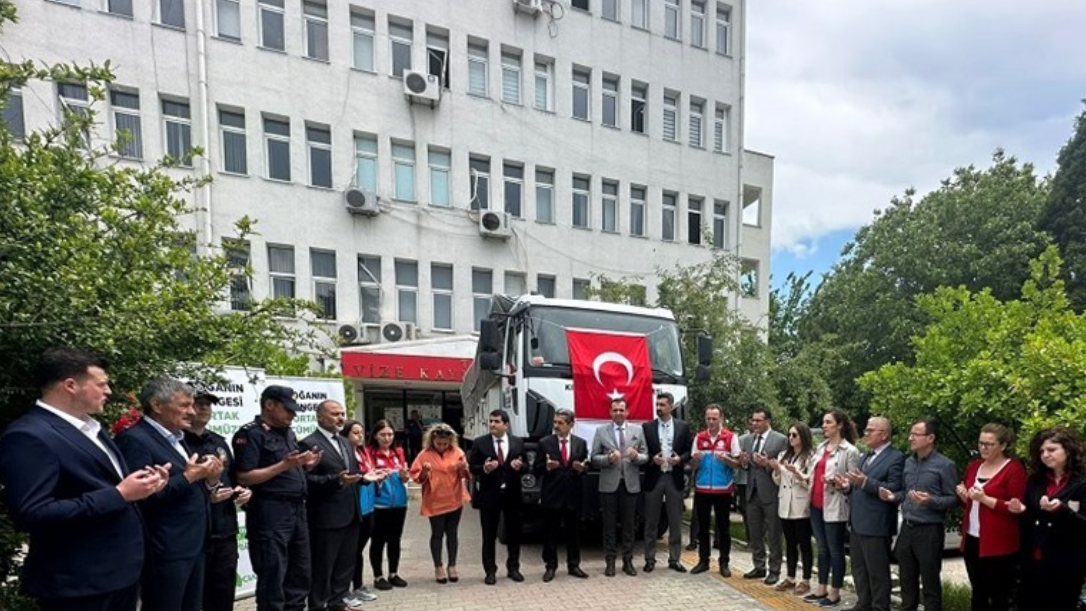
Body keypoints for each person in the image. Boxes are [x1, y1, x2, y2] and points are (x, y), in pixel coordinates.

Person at [0, 347, 168, 611]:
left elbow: (107, 485)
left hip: (120, 574)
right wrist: (120, 494)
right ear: (70, 385)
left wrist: (144, 486)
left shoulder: (92, 428)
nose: (109, 391)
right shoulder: (29, 435)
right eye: (101, 384)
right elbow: (32, 513)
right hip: (78, 583)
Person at [115, 377, 224, 611]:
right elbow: (143, 496)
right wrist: (189, 477)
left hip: (193, 544)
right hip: (166, 548)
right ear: (157, 405)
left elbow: (187, 487)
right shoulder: (134, 440)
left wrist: (210, 480)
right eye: (184, 405)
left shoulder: (177, 439)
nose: (192, 412)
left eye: (192, 405)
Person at [234, 385, 322, 611]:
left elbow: (291, 470)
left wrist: (306, 466)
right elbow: (244, 476)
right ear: (269, 405)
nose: (292, 415)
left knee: (300, 572)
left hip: (297, 511)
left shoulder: (288, 433)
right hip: (270, 513)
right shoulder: (251, 434)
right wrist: (284, 465)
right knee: (273, 575)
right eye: (288, 409)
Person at [184, 385, 252, 611]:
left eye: (208, 404)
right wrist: (207, 495)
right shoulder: (177, 442)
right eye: (198, 402)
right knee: (191, 597)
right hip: (194, 532)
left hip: (224, 529)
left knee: (222, 594)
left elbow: (233, 478)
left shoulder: (219, 442)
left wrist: (243, 492)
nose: (204, 408)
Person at [883, 419, 959, 611]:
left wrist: (930, 501)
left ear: (930, 438)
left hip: (929, 531)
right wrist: (893, 496)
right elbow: (904, 493)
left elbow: (953, 499)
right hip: (907, 529)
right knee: (907, 581)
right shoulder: (909, 463)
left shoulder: (945, 465)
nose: (911, 438)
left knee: (930, 583)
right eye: (911, 434)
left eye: (916, 434)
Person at [298, 400, 366, 611]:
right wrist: (336, 481)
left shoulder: (345, 442)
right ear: (320, 417)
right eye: (335, 414)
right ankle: (318, 606)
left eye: (342, 414)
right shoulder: (309, 444)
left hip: (351, 513)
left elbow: (351, 474)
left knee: (345, 565)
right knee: (323, 568)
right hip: (326, 518)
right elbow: (306, 482)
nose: (341, 418)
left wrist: (366, 478)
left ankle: (338, 603)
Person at [1009, 427, 1086, 611]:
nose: (1045, 455)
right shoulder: (1036, 480)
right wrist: (1021, 510)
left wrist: (1061, 510)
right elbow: (1031, 519)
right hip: (1033, 561)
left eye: (1051, 450)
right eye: (1041, 451)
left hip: (1067, 563)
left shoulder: (1082, 481)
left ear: (1068, 450)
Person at [955, 423, 1027, 611]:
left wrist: (985, 498)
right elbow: (972, 504)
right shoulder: (974, 467)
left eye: (989, 444)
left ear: (1003, 446)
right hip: (972, 538)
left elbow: (1015, 507)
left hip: (999, 543)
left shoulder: (1014, 469)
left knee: (998, 595)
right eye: (980, 443)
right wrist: (965, 497)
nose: (983, 448)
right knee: (978, 592)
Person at [844, 416, 904, 611]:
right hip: (858, 521)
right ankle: (863, 604)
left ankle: (880, 607)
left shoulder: (896, 458)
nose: (866, 433)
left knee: (877, 571)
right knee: (859, 569)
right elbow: (858, 484)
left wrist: (865, 483)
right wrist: (845, 485)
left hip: (877, 523)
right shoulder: (865, 456)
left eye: (871, 430)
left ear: (884, 434)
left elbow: (894, 488)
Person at [804, 410, 861, 607]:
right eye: (823, 422)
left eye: (828, 422)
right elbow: (812, 474)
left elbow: (853, 482)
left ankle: (835, 592)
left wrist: (839, 483)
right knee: (821, 548)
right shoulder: (820, 448)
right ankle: (821, 588)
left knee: (835, 550)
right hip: (815, 503)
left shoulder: (850, 451)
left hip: (835, 505)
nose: (824, 426)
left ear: (840, 425)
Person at [590, 398, 649, 577]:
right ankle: (610, 562)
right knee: (608, 525)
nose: (618, 413)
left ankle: (628, 562)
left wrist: (636, 456)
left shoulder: (638, 430)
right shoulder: (601, 431)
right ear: (610, 412)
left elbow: (646, 456)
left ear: (627, 412)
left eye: (621, 410)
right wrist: (607, 460)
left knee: (629, 526)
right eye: (615, 410)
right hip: (609, 485)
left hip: (630, 485)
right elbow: (593, 458)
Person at [469, 409, 527, 584]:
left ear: (506, 425)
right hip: (489, 495)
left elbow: (525, 466)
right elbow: (472, 467)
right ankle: (490, 571)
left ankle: (513, 568)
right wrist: (484, 469)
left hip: (512, 495)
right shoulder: (480, 443)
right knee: (489, 535)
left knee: (514, 534)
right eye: (491, 421)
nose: (492, 424)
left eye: (496, 421)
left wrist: (520, 466)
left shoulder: (517, 442)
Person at [409, 423, 471, 584]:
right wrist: (424, 471)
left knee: (452, 533)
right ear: (432, 440)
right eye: (439, 443)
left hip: (455, 498)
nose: (442, 446)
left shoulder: (458, 452)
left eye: (445, 443)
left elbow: (466, 475)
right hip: (435, 500)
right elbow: (417, 478)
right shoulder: (424, 455)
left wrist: (462, 468)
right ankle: (438, 566)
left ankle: (452, 565)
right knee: (437, 534)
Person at [534, 408, 590, 582]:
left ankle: (574, 565)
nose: (556, 426)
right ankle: (550, 566)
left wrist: (582, 469)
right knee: (550, 532)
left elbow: (585, 467)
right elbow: (536, 469)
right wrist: (546, 467)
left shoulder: (580, 443)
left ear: (571, 425)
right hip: (552, 495)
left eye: (560, 423)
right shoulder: (545, 443)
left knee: (573, 533)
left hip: (573, 495)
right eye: (555, 422)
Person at [641, 392, 692, 573]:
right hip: (654, 478)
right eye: (657, 404)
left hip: (674, 478)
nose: (658, 408)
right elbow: (643, 452)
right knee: (651, 522)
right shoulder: (647, 427)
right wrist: (650, 460)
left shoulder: (682, 427)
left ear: (671, 407)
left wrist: (680, 459)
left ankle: (674, 559)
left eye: (662, 405)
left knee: (675, 520)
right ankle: (649, 559)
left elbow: (688, 450)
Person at [689, 403, 741, 578]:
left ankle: (724, 562)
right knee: (702, 528)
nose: (711, 422)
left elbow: (737, 464)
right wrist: (695, 459)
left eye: (714, 418)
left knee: (723, 528)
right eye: (708, 418)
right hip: (703, 488)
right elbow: (693, 466)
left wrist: (726, 459)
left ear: (721, 419)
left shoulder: (730, 437)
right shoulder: (699, 437)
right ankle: (703, 561)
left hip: (723, 489)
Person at [740, 408, 787, 584]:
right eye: (753, 420)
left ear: (768, 421)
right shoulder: (749, 439)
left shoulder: (780, 439)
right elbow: (746, 465)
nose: (755, 424)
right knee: (755, 532)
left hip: (771, 493)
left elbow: (782, 467)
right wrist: (744, 463)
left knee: (774, 533)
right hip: (752, 492)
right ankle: (759, 566)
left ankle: (774, 570)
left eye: (758, 421)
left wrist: (767, 463)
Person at [770, 421, 815, 596]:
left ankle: (805, 580)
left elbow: (809, 483)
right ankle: (790, 577)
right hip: (785, 503)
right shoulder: (784, 454)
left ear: (803, 436)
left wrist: (796, 473)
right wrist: (776, 471)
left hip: (800, 504)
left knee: (804, 543)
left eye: (794, 435)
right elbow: (778, 482)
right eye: (789, 435)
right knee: (789, 543)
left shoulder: (810, 457)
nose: (790, 438)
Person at [338, 420, 380, 604]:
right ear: (345, 435)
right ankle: (343, 591)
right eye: (355, 433)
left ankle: (358, 586)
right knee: (350, 551)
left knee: (358, 550)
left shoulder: (364, 453)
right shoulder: (345, 455)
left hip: (369, 507)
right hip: (356, 508)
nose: (360, 436)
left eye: (361, 432)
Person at [367, 419, 411, 590]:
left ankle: (393, 573)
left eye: (390, 434)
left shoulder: (398, 452)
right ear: (375, 436)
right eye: (383, 434)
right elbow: (368, 478)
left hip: (399, 503)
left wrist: (404, 476)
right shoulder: (369, 452)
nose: (387, 438)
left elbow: (405, 479)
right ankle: (378, 576)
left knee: (395, 540)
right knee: (378, 541)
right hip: (379, 505)